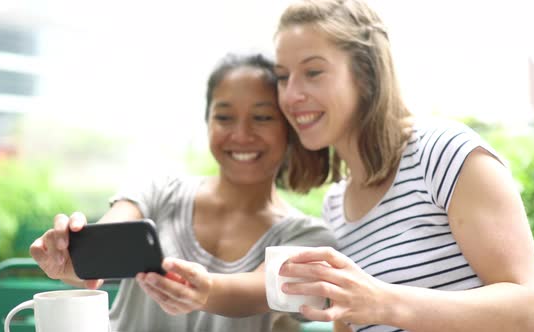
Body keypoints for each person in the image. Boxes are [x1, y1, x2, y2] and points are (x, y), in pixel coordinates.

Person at [271, 1, 534, 331]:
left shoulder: (443, 153)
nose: (292, 94)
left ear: (365, 72)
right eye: (283, 77)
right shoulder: (335, 206)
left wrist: (383, 303)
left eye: (313, 72)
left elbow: (531, 307)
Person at [30, 53, 337, 332]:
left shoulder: (309, 239)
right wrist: (72, 254)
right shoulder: (159, 191)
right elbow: (102, 244)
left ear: (290, 128)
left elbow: (262, 290)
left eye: (262, 117)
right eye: (224, 117)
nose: (241, 134)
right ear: (207, 123)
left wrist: (204, 292)